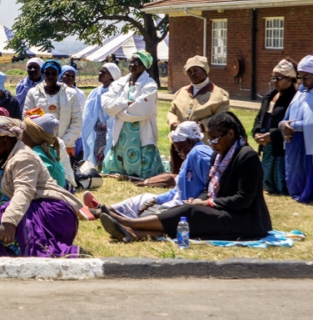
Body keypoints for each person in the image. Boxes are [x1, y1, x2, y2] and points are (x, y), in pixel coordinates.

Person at [100, 112, 272, 242]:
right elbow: (208, 188)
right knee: (186, 210)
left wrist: (206, 203)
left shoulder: (247, 157)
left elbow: (243, 199)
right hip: (223, 211)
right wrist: (200, 200)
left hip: (246, 221)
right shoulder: (218, 156)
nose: (212, 144)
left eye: (215, 139)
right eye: (209, 140)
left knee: (190, 212)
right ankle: (136, 233)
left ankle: (129, 223)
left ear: (231, 134)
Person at [0, 116, 82, 257]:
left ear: (4, 139)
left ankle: (51, 251)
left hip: (53, 213)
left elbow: (24, 191)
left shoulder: (24, 158)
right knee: (0, 217)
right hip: (34, 206)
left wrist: (9, 220)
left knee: (7, 217)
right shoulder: (1, 158)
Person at [83, 121, 212, 220]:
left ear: (189, 141)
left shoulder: (199, 153)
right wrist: (157, 199)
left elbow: (211, 185)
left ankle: (110, 217)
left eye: (179, 148)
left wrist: (197, 202)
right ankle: (100, 210)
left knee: (147, 212)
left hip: (185, 207)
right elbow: (178, 190)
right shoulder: (191, 156)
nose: (178, 152)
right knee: (143, 199)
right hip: (178, 200)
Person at [100, 51, 162, 180]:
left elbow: (143, 111)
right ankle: (120, 171)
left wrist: (118, 112)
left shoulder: (150, 85)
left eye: (137, 62)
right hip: (122, 129)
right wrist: (124, 103)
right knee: (120, 149)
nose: (132, 64)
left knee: (142, 152)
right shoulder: (118, 83)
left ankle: (140, 174)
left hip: (142, 128)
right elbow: (106, 105)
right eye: (131, 61)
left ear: (145, 66)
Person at [167, 55, 231, 172]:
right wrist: (173, 123)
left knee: (199, 173)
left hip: (203, 142)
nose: (192, 74)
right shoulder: (181, 92)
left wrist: (201, 125)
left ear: (205, 71)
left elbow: (221, 118)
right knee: (178, 173)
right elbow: (171, 111)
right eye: (189, 71)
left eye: (196, 70)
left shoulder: (219, 95)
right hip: (180, 143)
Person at [252, 59, 298, 195]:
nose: (274, 81)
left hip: (281, 144)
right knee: (266, 176)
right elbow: (259, 117)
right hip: (265, 143)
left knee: (280, 177)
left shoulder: (294, 99)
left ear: (290, 80)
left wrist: (272, 135)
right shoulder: (269, 96)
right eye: (273, 78)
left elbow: (292, 123)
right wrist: (256, 132)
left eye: (278, 78)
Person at [24, 60, 83, 154]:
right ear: (43, 74)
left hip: (66, 146)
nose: (50, 76)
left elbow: (77, 121)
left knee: (65, 169)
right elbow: (27, 119)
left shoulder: (71, 94)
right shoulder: (33, 93)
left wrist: (62, 142)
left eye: (53, 73)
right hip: (40, 147)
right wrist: (41, 140)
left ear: (58, 74)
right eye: (47, 73)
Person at [282, 55, 313, 203]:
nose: (302, 81)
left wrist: (291, 126)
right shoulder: (299, 93)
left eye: (306, 77)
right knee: (294, 170)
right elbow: (285, 117)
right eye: (300, 77)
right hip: (294, 141)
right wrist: (283, 125)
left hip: (309, 142)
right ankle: (297, 193)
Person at [79, 64, 121, 168]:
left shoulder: (117, 91)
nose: (99, 73)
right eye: (100, 71)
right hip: (98, 127)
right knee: (97, 147)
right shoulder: (95, 92)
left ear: (112, 75)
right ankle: (99, 165)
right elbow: (88, 111)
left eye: (103, 72)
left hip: (113, 125)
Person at [22, 114, 71, 189]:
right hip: (62, 189)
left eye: (24, 132)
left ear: (33, 136)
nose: (21, 135)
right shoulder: (48, 149)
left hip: (52, 194)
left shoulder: (35, 154)